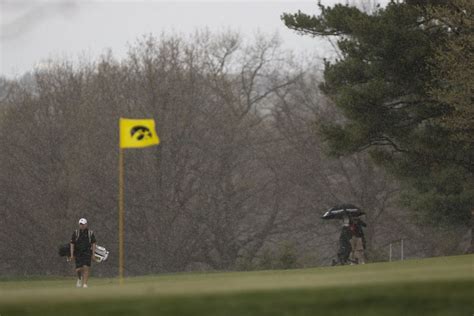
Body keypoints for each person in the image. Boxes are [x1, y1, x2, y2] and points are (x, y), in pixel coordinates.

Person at [69, 218, 97, 288]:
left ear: (86, 224)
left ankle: (85, 284)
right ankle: (79, 278)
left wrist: (93, 254)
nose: (82, 226)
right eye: (81, 224)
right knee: (78, 269)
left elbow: (93, 243)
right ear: (79, 224)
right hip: (78, 253)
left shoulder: (90, 233)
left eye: (83, 224)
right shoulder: (76, 233)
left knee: (86, 267)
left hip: (87, 252)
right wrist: (72, 254)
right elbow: (72, 244)